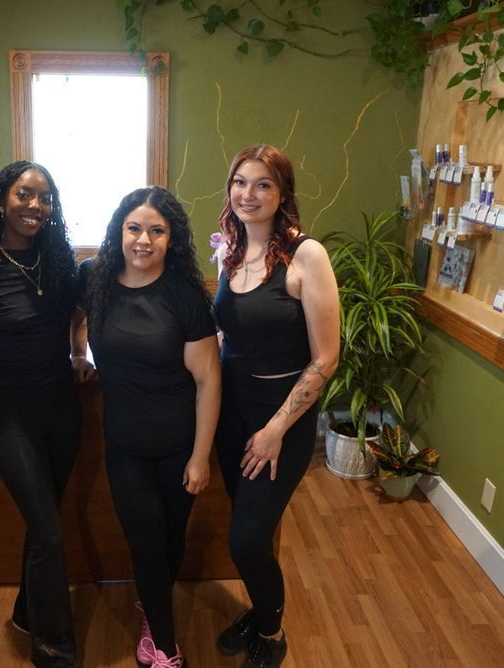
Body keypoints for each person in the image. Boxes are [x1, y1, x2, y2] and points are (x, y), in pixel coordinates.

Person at [0, 161, 93, 668]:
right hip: (13, 415)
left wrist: (80, 351)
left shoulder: (60, 263)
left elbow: (78, 313)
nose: (34, 205)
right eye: (24, 194)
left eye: (44, 198)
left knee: (44, 526)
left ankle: (25, 610)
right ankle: (53, 644)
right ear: (1, 202)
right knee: (50, 530)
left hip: (63, 410)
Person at [213, 144, 341, 668]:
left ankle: (272, 630)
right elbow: (227, 334)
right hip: (231, 409)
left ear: (283, 193)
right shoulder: (227, 249)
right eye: (241, 182)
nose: (249, 194)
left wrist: (275, 430)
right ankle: (261, 607)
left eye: (263, 184)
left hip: (280, 416)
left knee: (246, 539)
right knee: (247, 527)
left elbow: (326, 358)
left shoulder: (306, 255)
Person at [82, 187, 221, 668]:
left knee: (170, 539)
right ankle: (164, 647)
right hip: (125, 445)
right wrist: (77, 352)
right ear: (119, 232)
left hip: (180, 445)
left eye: (156, 231)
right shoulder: (94, 279)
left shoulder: (184, 298)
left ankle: (151, 606)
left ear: (171, 238)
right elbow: (73, 318)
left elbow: (208, 380)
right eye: (135, 228)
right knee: (144, 541)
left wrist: (201, 457)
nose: (144, 240)